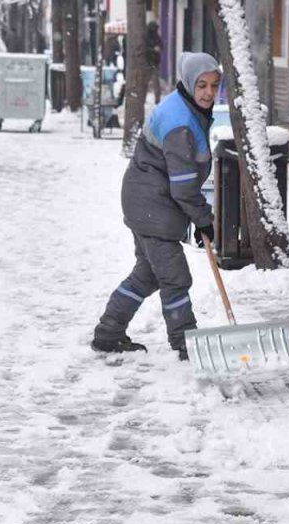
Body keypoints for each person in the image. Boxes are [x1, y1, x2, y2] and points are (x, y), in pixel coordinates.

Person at [92, 52, 222, 361]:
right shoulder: (180, 122)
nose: (208, 92)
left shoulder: (186, 108)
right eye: (201, 85)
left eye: (214, 86)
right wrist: (204, 219)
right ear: (189, 83)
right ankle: (186, 342)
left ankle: (108, 333)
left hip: (146, 201)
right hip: (153, 205)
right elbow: (183, 185)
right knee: (175, 277)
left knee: (149, 275)